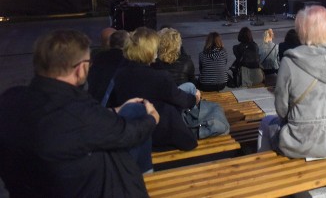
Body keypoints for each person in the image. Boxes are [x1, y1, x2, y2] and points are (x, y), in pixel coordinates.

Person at [0, 29, 159, 197]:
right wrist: (151, 119)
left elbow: (67, 125)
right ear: (80, 68)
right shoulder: (77, 110)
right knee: (136, 117)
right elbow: (127, 133)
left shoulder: (10, 101)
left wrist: (114, 110)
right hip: (87, 189)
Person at [256, 5, 326, 159]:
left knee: (266, 122)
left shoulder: (290, 61)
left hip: (301, 143)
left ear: (301, 30)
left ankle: (264, 171)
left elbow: (281, 110)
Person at [112, 27, 199, 151]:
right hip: (158, 135)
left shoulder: (120, 74)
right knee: (189, 90)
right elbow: (180, 99)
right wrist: (194, 99)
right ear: (150, 51)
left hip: (132, 129)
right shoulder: (158, 77)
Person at [88, 29, 129, 102]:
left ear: (110, 43)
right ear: (127, 44)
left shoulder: (98, 56)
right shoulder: (127, 59)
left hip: (93, 97)